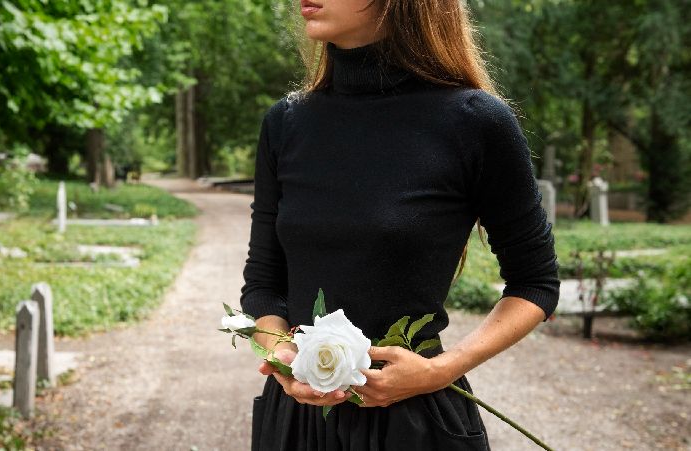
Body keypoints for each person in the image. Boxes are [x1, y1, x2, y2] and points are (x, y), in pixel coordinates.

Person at [239, 0, 561, 450]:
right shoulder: (286, 123)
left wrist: (441, 370)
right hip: (297, 423)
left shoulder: (474, 121)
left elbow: (536, 283)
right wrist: (281, 356)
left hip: (415, 422)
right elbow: (263, 281)